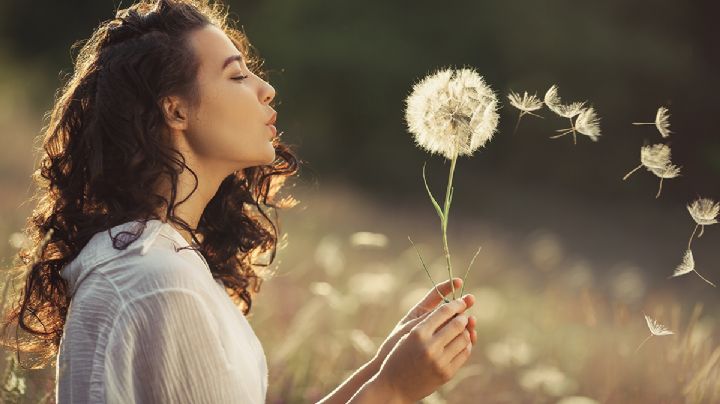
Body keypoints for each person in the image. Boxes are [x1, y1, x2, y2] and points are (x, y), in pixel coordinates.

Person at [0, 0, 478, 402]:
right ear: (175, 109)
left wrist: (378, 369)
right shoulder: (159, 283)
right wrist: (391, 390)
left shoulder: (156, 259)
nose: (266, 89)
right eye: (236, 77)